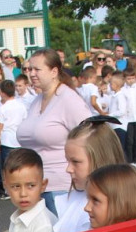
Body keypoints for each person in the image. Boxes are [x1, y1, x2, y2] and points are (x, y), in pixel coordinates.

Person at [16, 49, 91, 215]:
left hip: (61, 187)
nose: (32, 74)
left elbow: (90, 138)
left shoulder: (68, 99)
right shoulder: (37, 101)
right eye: (29, 69)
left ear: (54, 71)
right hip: (36, 186)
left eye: (37, 69)